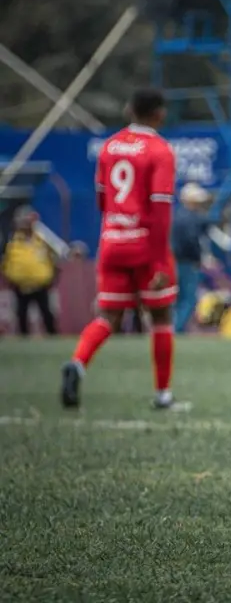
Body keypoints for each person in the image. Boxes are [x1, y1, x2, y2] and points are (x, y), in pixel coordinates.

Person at [62, 89, 180, 410]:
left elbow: (102, 200)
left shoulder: (109, 147)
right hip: (144, 244)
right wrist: (159, 263)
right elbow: (160, 211)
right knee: (161, 315)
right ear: (159, 114)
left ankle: (77, 363)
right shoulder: (160, 151)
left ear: (128, 109)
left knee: (108, 317)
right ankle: (162, 394)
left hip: (112, 241)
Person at [1, 205, 60, 336]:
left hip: (41, 285)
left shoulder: (42, 239)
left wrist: (52, 278)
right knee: (21, 314)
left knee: (47, 313)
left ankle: (53, 337)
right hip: (20, 286)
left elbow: (56, 257)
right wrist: (10, 277)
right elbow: (5, 261)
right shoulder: (10, 240)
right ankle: (24, 338)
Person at [172, 183, 211, 334]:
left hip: (174, 261)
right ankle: (177, 328)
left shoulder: (177, 216)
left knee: (177, 298)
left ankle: (173, 327)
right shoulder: (192, 218)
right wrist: (198, 257)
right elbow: (192, 240)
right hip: (188, 262)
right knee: (188, 298)